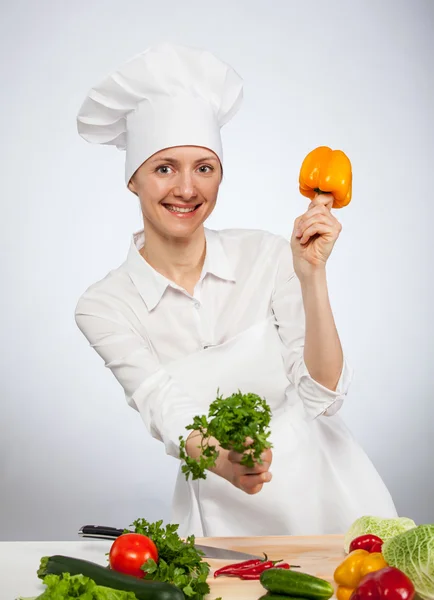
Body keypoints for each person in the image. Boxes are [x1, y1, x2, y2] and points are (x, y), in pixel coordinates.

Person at [75, 43, 397, 537]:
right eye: (165, 168)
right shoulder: (105, 306)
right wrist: (224, 461)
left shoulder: (267, 256)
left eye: (204, 167)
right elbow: (164, 407)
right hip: (221, 513)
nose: (187, 189)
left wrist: (312, 276)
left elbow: (323, 397)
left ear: (220, 175)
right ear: (133, 181)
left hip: (331, 494)